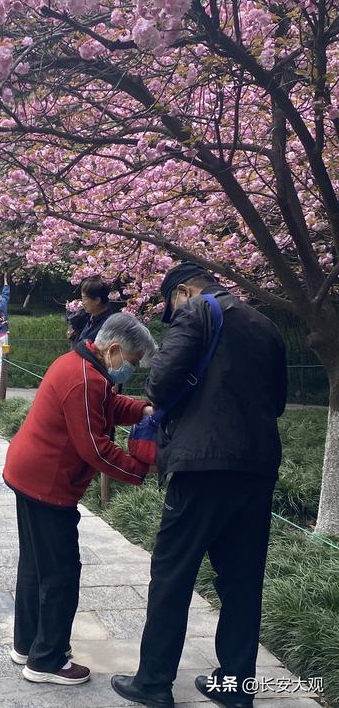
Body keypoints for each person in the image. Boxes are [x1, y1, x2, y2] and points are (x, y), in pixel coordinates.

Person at [111, 263, 287, 708]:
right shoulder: (265, 323)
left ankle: (153, 683)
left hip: (201, 466)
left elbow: (160, 382)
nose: (173, 312)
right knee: (243, 581)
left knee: (172, 573)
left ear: (184, 292)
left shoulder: (196, 313)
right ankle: (235, 687)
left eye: (171, 304)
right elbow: (279, 400)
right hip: (256, 468)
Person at [3, 313, 157, 686]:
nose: (131, 371)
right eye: (133, 363)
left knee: (36, 567)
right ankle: (47, 661)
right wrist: (139, 470)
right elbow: (95, 448)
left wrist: (145, 409)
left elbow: (107, 408)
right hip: (48, 483)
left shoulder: (84, 365)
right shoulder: (85, 379)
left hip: (31, 474)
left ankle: (29, 645)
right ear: (115, 350)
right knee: (60, 574)